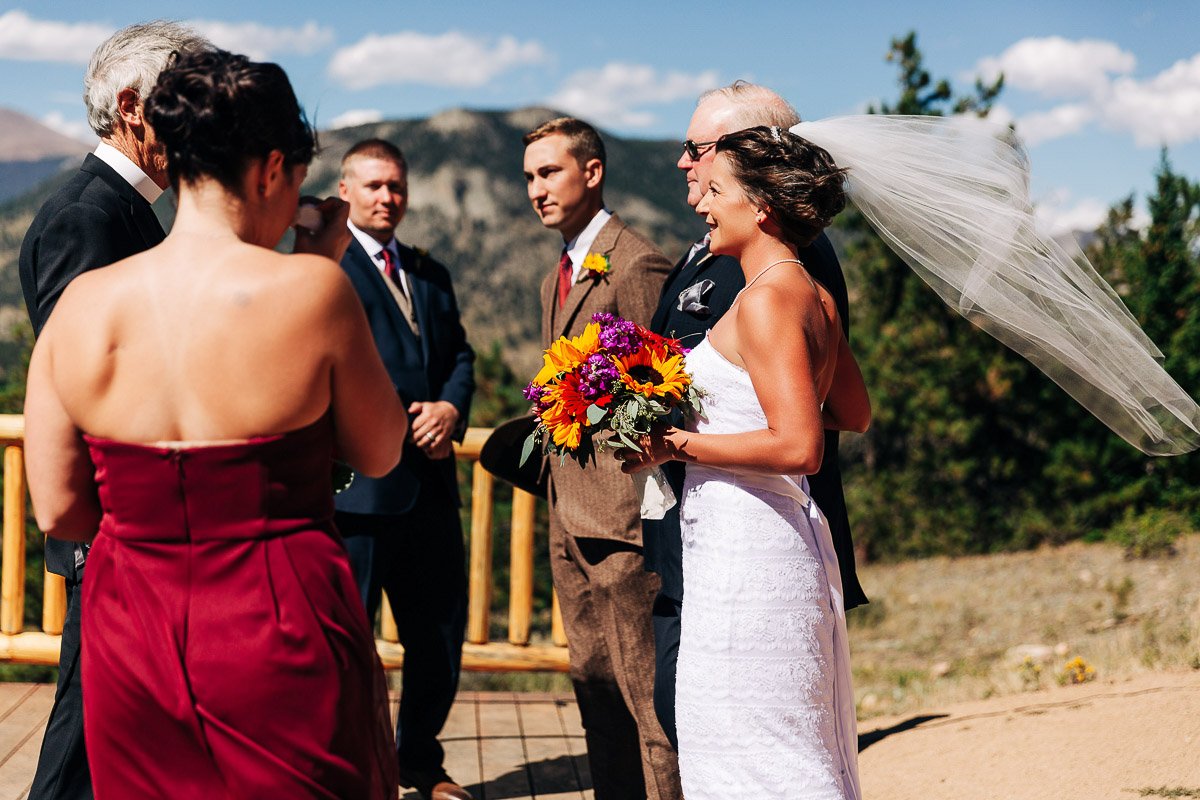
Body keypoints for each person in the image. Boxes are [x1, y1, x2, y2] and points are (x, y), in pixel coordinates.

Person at [23, 47, 403, 799]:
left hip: (130, 630)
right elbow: (383, 449)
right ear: (270, 171)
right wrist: (313, 259)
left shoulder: (83, 308)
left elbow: (60, 507)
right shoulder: (314, 292)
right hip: (279, 626)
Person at [620, 127, 870, 798]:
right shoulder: (811, 292)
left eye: (718, 190)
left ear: (759, 205)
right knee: (781, 737)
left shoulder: (763, 299)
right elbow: (853, 411)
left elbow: (800, 446)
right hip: (779, 539)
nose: (703, 203)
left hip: (748, 554)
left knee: (747, 746)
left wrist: (677, 445)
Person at [16, 21, 211, 800]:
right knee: (81, 741)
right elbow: (92, 381)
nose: (200, 124)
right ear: (132, 107)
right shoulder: (85, 217)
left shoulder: (126, 211)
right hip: (113, 523)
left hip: (137, 522)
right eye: (183, 104)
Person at [521, 117, 681, 799]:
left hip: (622, 521)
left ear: (592, 172)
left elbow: (665, 392)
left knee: (647, 700)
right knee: (594, 689)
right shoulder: (552, 277)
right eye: (529, 176)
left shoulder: (637, 261)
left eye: (549, 172)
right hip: (567, 516)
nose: (536, 189)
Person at [334, 138, 475, 800]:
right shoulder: (328, 271)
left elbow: (462, 357)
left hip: (433, 490)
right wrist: (393, 414)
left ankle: (419, 759)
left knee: (441, 639)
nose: (387, 197)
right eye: (373, 186)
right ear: (344, 193)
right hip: (357, 496)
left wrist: (450, 407)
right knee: (348, 649)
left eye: (396, 185)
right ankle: (354, 774)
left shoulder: (429, 271)